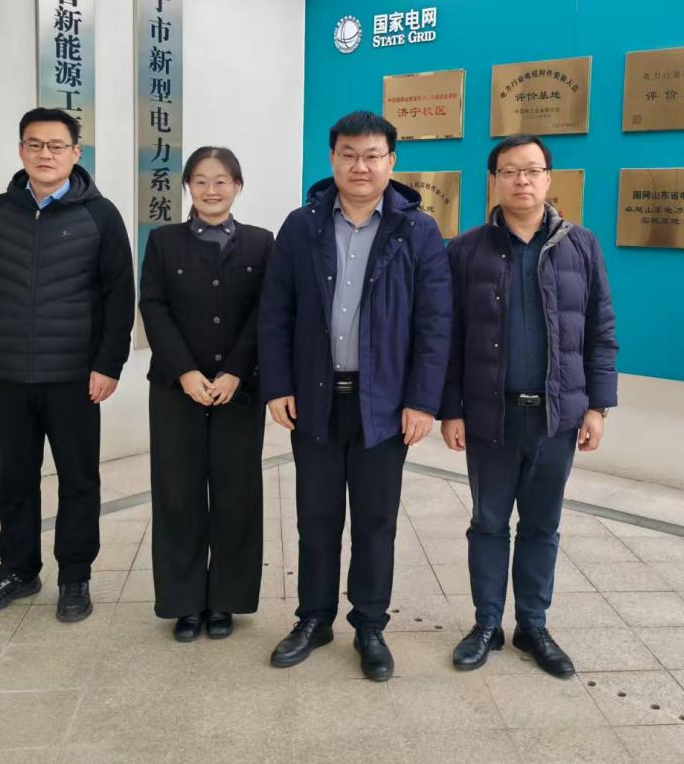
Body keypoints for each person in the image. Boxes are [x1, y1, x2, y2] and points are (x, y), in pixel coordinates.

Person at [258, 110, 452, 681]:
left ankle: (369, 624)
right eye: (349, 154)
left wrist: (423, 400)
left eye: (372, 155)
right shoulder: (302, 225)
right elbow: (276, 311)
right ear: (333, 158)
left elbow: (435, 323)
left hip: (384, 404)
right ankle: (314, 619)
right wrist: (278, 385)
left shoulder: (418, 231)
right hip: (315, 398)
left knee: (374, 522)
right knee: (316, 519)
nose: (360, 166)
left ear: (392, 162)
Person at [440, 134, 618, 676]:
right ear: (494, 180)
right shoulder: (465, 250)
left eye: (532, 170)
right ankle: (486, 625)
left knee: (541, 525)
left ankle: (533, 625)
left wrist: (598, 406)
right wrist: (451, 409)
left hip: (556, 417)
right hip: (489, 415)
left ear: (548, 179)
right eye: (510, 170)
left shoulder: (580, 246)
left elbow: (600, 331)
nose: (522, 180)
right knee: (489, 524)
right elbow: (448, 337)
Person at [0, 107, 134, 623]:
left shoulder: (100, 215)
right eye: (34, 144)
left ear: (76, 153)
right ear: (20, 151)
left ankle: (75, 575)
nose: (45, 154)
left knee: (78, 479)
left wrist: (109, 364)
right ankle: (17, 569)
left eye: (57, 145)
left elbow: (119, 295)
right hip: (7, 372)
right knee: (15, 478)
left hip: (74, 376)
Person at [139, 147, 273, 641]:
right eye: (200, 180)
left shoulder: (261, 242)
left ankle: (226, 602)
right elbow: (153, 307)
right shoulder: (163, 241)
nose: (211, 190)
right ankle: (185, 603)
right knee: (178, 495)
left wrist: (236, 371)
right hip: (176, 391)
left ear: (238, 186)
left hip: (240, 392)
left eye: (221, 181)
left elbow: (267, 310)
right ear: (187, 187)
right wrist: (186, 373)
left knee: (237, 495)